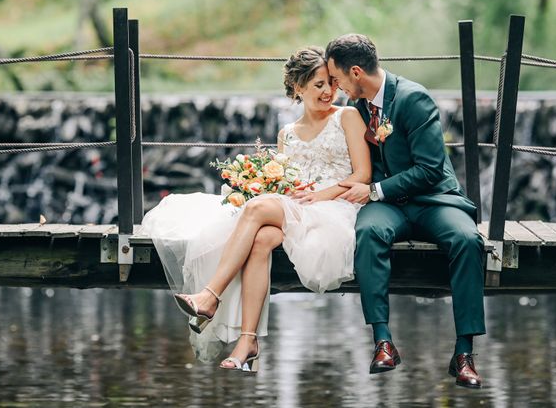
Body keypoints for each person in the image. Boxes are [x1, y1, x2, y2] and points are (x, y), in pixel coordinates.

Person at [142, 47, 371, 372]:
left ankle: (209, 297)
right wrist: (277, 188)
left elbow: (362, 175)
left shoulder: (346, 116)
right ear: (298, 88)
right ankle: (248, 341)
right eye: (318, 84)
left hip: (335, 209)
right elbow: (286, 185)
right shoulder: (286, 134)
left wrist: (320, 196)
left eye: (331, 83)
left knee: (256, 210)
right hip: (295, 208)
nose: (328, 91)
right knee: (262, 237)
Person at [326, 33, 486, 389]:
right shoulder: (357, 107)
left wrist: (374, 190)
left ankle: (464, 353)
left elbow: (430, 169)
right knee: (367, 233)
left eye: (336, 79)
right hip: (388, 207)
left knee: (467, 240)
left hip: (432, 199)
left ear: (355, 72)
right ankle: (383, 342)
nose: (335, 88)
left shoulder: (413, 99)